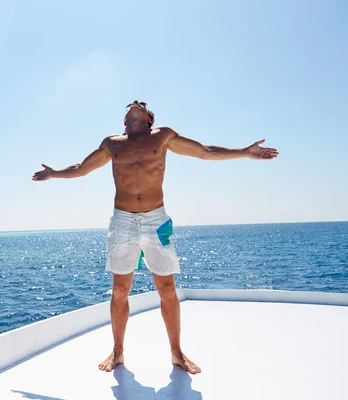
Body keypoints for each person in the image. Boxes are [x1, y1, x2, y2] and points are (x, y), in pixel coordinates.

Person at [32, 100, 279, 374]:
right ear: (124, 121)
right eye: (131, 106)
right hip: (123, 219)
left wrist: (245, 152)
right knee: (120, 290)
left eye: (142, 105)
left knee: (167, 289)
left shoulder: (163, 135)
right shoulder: (112, 143)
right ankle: (117, 352)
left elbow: (205, 152)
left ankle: (177, 353)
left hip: (156, 218)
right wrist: (53, 173)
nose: (136, 103)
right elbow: (81, 168)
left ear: (149, 118)